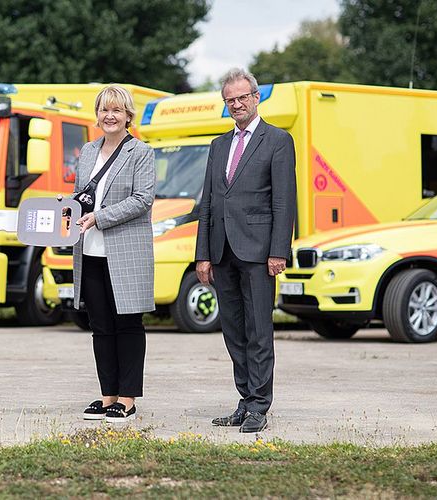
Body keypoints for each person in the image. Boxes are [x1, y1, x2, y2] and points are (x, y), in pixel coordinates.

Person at [194, 68, 297, 433]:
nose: (236, 104)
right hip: (222, 252)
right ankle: (244, 399)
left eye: (242, 97)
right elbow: (207, 202)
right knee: (233, 331)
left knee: (258, 331)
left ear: (256, 97)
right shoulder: (218, 145)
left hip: (258, 253)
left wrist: (278, 251)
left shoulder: (278, 140)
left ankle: (260, 405)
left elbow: (284, 202)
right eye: (230, 100)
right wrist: (202, 254)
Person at [73, 85, 155, 423]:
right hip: (89, 251)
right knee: (101, 326)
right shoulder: (88, 151)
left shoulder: (140, 152)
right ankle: (108, 397)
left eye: (117, 110)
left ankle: (128, 399)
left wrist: (100, 217)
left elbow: (143, 199)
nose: (110, 116)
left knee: (128, 324)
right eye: (105, 110)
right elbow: (80, 196)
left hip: (126, 252)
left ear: (128, 116)